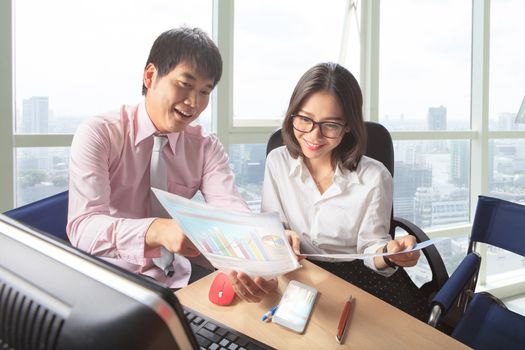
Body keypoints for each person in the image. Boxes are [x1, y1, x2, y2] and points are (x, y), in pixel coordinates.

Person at [67, 27, 285, 292]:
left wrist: (263, 247)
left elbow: (230, 209)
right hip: (110, 281)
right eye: (185, 85)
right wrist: (156, 231)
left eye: (205, 91)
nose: (194, 103)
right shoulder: (100, 134)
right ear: (150, 76)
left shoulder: (205, 146)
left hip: (177, 278)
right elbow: (83, 227)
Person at [260, 62, 429, 321]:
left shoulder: (374, 176)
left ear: (348, 125)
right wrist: (282, 237)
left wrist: (392, 254)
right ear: (292, 114)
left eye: (330, 125)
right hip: (298, 272)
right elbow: (271, 227)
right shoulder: (277, 162)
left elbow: (372, 247)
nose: (314, 136)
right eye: (305, 119)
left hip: (358, 278)